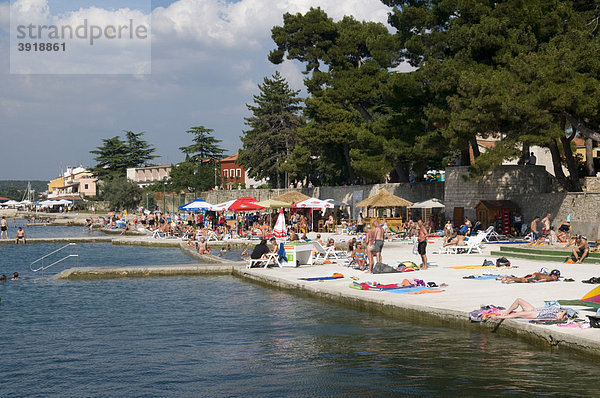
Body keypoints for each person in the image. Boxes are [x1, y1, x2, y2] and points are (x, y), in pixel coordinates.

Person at [491, 298, 566, 320]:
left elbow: (559, 317)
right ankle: (507, 312)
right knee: (519, 300)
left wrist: (562, 313)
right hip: (535, 309)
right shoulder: (560, 310)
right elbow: (565, 310)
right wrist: (563, 311)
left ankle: (498, 317)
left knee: (517, 314)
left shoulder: (559, 314)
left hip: (537, 314)